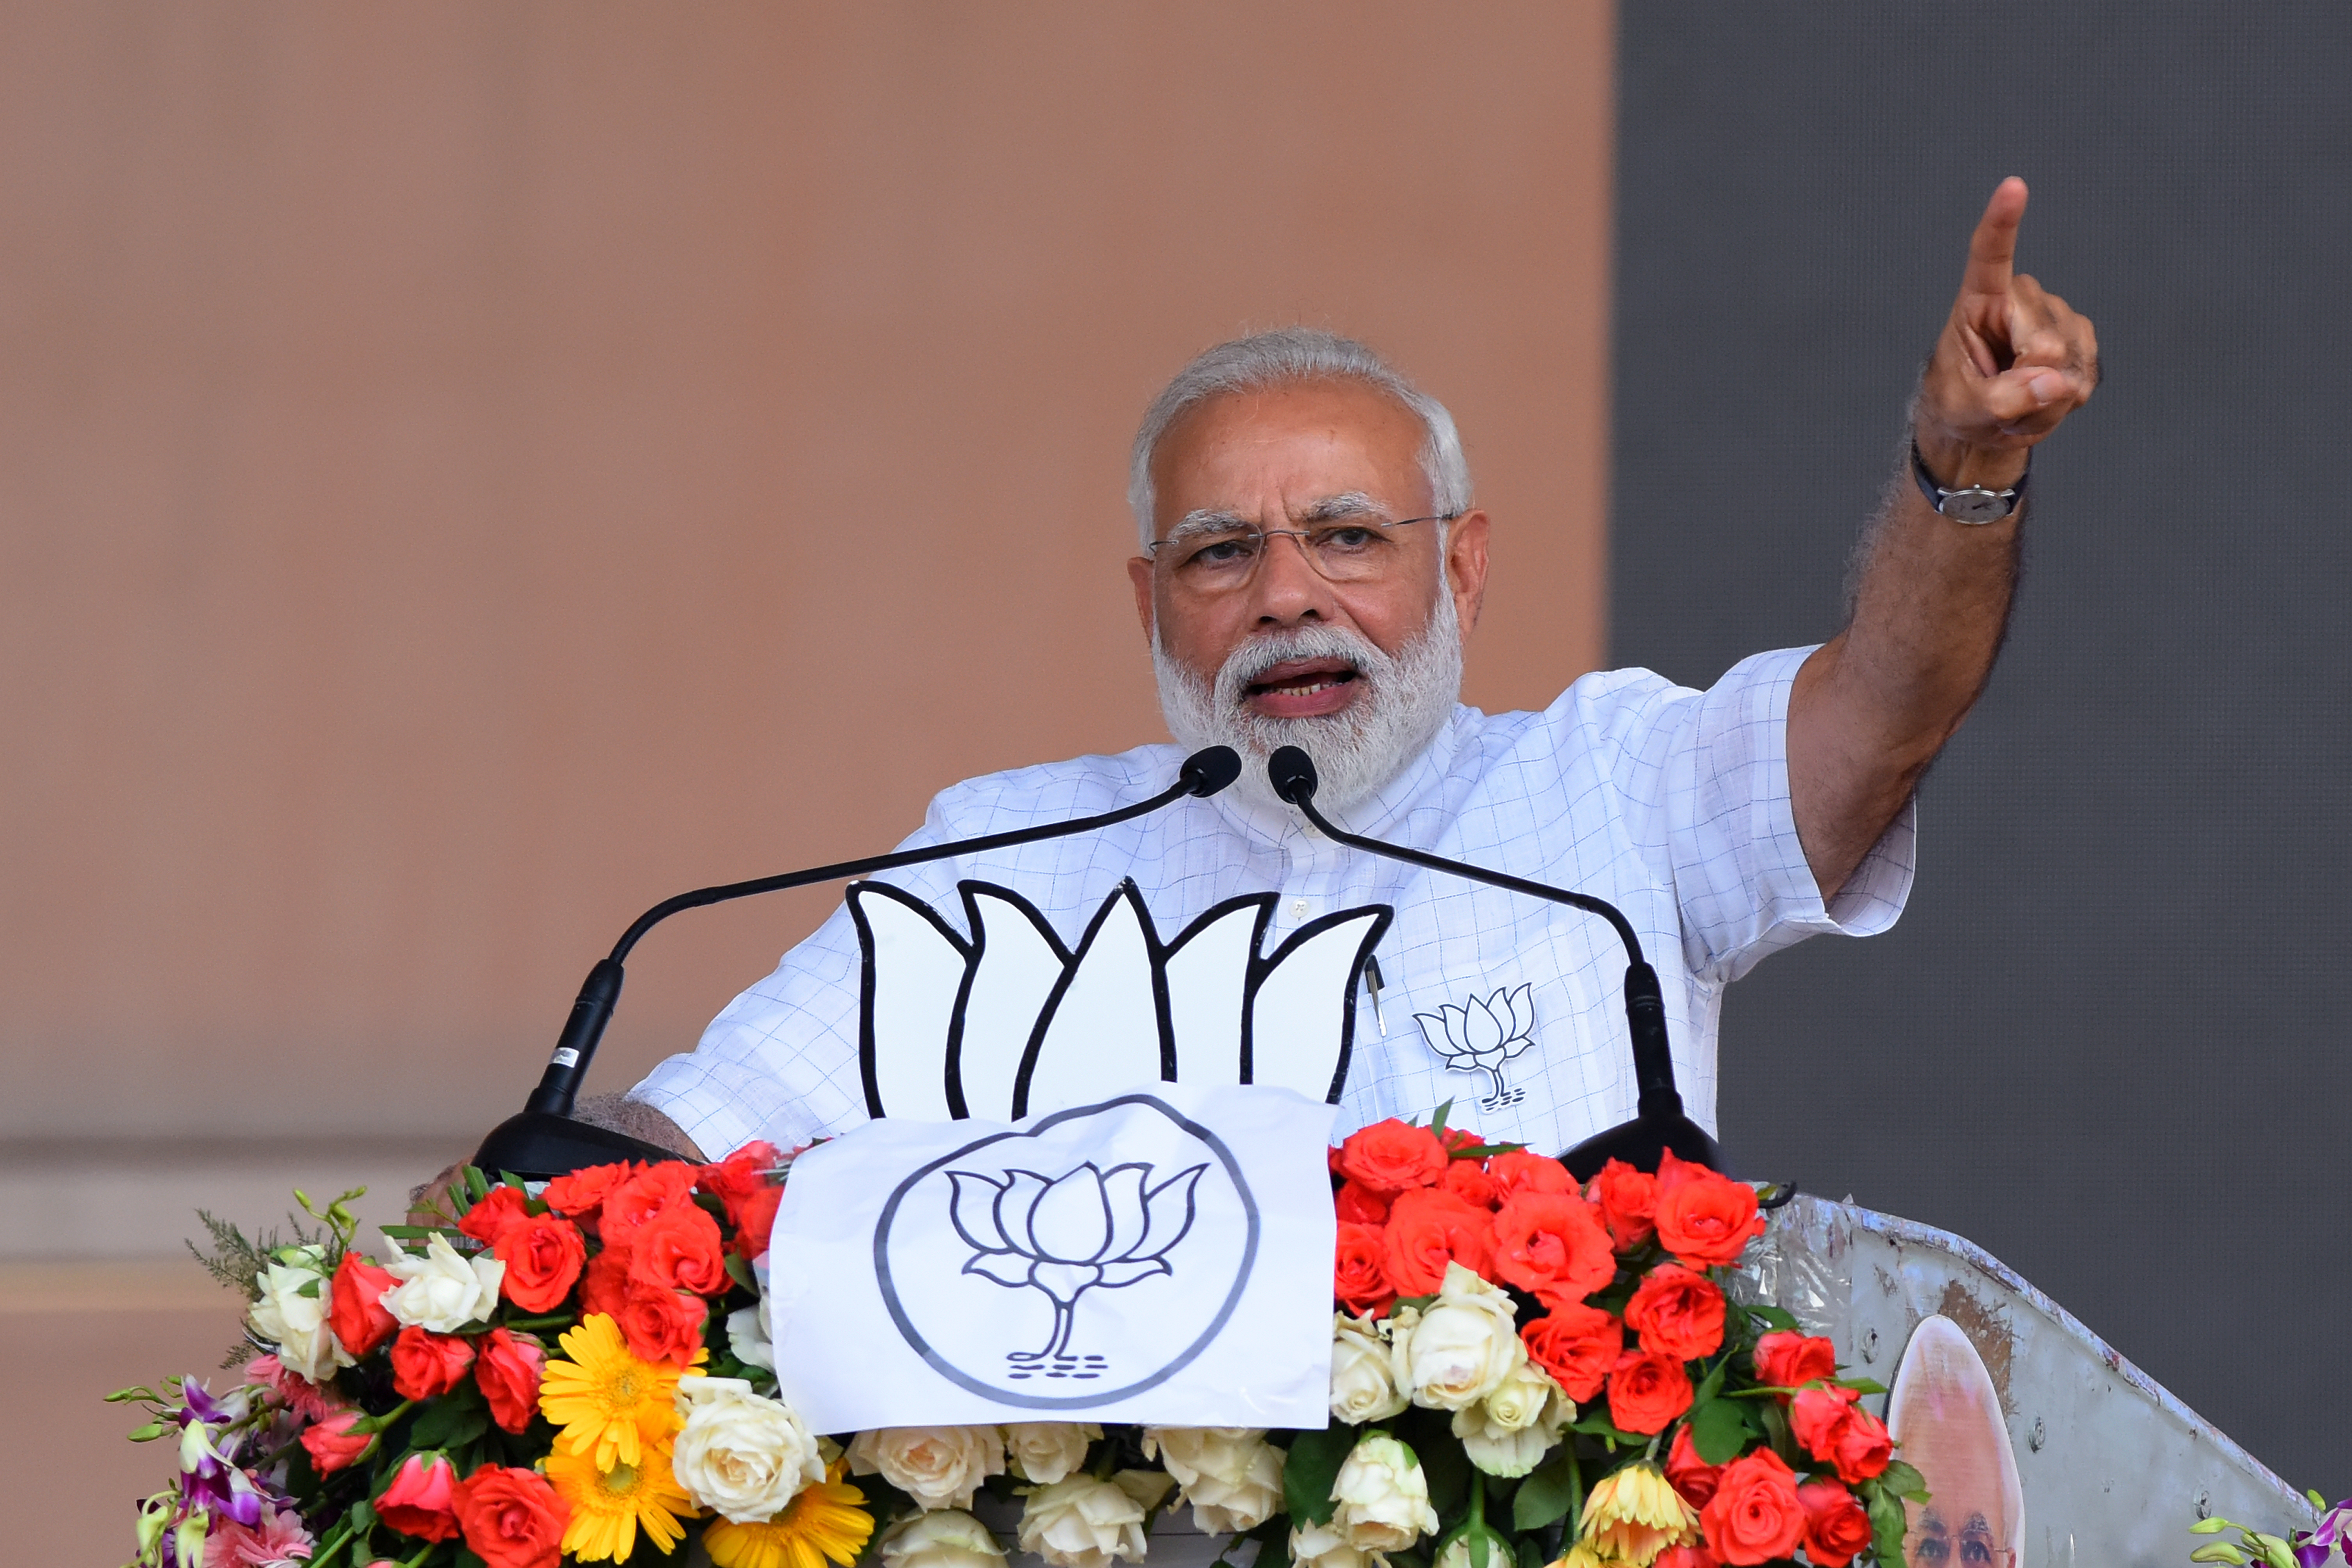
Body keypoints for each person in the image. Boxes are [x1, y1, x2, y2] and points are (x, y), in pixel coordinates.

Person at [564, 177, 2098, 1167]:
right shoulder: (997, 862)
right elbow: (683, 1143)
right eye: (1219, 554)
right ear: (1149, 603)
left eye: (1348, 537)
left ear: (1462, 568)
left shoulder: (1608, 791)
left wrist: (1957, 472)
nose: (1287, 598)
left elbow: (1883, 716)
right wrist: (501, 1233)